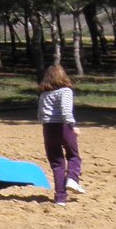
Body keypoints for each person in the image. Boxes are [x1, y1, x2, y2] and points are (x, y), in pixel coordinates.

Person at [38, 63, 84, 205]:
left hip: (48, 128)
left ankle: (60, 198)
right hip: (63, 127)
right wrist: (72, 126)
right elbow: (66, 110)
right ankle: (72, 179)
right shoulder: (65, 91)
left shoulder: (44, 94)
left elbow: (40, 114)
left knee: (57, 163)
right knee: (73, 155)